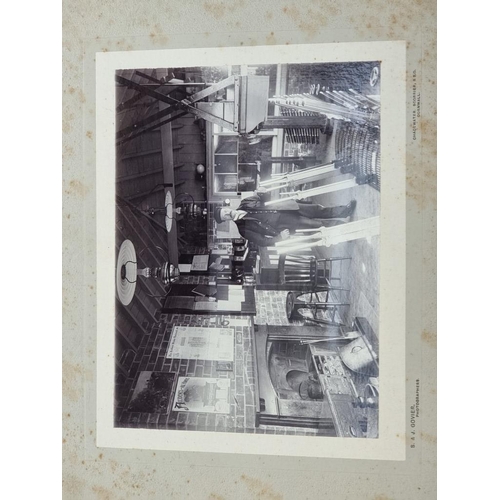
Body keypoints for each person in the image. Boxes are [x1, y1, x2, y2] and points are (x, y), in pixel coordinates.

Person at [214, 187, 356, 247]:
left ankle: (345, 211)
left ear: (227, 207)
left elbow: (265, 199)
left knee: (318, 210)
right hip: (286, 223)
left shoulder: (245, 202)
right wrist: (279, 238)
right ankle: (347, 229)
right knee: (317, 225)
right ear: (226, 220)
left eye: (225, 211)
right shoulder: (243, 230)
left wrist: (262, 193)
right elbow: (263, 242)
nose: (227, 214)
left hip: (287, 207)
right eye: (224, 216)